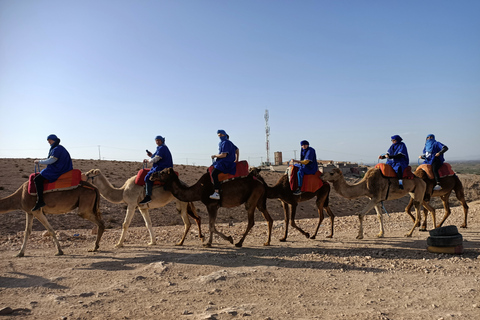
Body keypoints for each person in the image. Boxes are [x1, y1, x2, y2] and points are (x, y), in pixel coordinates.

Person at [32, 134, 73, 211]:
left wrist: (39, 161)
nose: (49, 142)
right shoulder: (58, 148)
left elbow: (51, 161)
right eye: (48, 141)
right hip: (60, 167)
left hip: (59, 169)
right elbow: (51, 159)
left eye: (49, 140)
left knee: (37, 180)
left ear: (53, 140)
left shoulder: (57, 149)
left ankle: (40, 201)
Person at [139, 135, 173, 204]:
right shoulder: (161, 148)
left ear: (162, 141)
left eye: (159, 140)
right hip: (163, 166)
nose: (157, 142)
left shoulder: (162, 148)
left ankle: (148, 196)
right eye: (156, 141)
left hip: (162, 168)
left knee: (148, 177)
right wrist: (151, 155)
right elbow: (155, 156)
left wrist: (148, 160)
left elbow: (156, 159)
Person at [210, 130, 238, 200]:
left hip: (225, 163)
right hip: (227, 162)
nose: (220, 137)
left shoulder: (225, 143)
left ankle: (217, 192)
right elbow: (237, 150)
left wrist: (215, 156)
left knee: (214, 173)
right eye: (219, 136)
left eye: (221, 135)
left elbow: (224, 155)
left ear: (224, 135)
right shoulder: (229, 143)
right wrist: (237, 159)